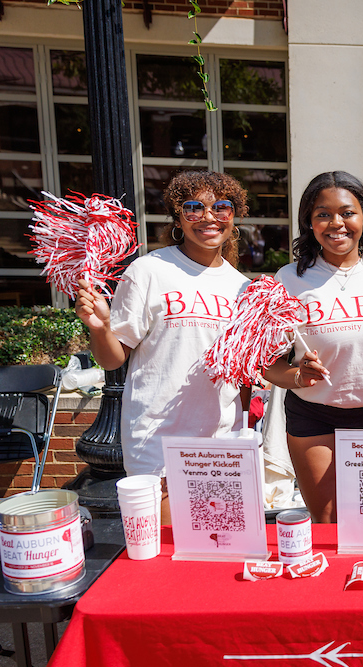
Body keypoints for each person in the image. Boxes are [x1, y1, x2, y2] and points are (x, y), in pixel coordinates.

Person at [76, 171, 251, 523]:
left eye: (221, 208)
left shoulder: (242, 287)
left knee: (215, 546)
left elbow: (241, 375)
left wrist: (240, 432)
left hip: (220, 442)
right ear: (177, 218)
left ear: (234, 216)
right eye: (193, 208)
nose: (208, 217)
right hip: (158, 437)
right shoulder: (149, 271)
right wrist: (101, 328)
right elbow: (113, 358)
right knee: (168, 553)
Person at [262, 172, 363, 523]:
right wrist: (296, 375)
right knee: (328, 524)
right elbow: (268, 364)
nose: (336, 223)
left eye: (347, 212)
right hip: (314, 415)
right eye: (323, 214)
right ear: (309, 222)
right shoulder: (289, 278)